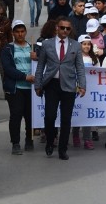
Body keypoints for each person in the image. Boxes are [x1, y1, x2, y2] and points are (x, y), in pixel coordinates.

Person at [34, 16, 86, 161]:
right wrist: (38, 84)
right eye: (62, 28)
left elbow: (80, 67)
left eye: (68, 28)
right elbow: (40, 66)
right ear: (57, 28)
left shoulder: (75, 45)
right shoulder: (47, 44)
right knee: (50, 116)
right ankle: (50, 141)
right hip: (51, 84)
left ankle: (63, 149)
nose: (65, 31)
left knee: (66, 119)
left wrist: (82, 85)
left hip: (69, 85)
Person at [0, 20, 35, 155]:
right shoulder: (8, 49)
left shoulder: (33, 47)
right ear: (13, 33)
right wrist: (24, 77)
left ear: (25, 32)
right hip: (16, 88)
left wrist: (37, 57)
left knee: (30, 116)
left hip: (31, 88)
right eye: (17, 32)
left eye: (22, 31)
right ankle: (15, 143)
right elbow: (8, 69)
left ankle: (29, 140)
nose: (20, 34)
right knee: (16, 115)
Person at [72, 34, 101, 150]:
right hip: (77, 90)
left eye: (89, 44)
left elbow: (99, 74)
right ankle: (75, 135)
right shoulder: (74, 58)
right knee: (77, 113)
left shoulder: (94, 59)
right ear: (79, 45)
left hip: (90, 90)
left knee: (87, 115)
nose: (87, 46)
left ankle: (87, 139)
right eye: (84, 44)